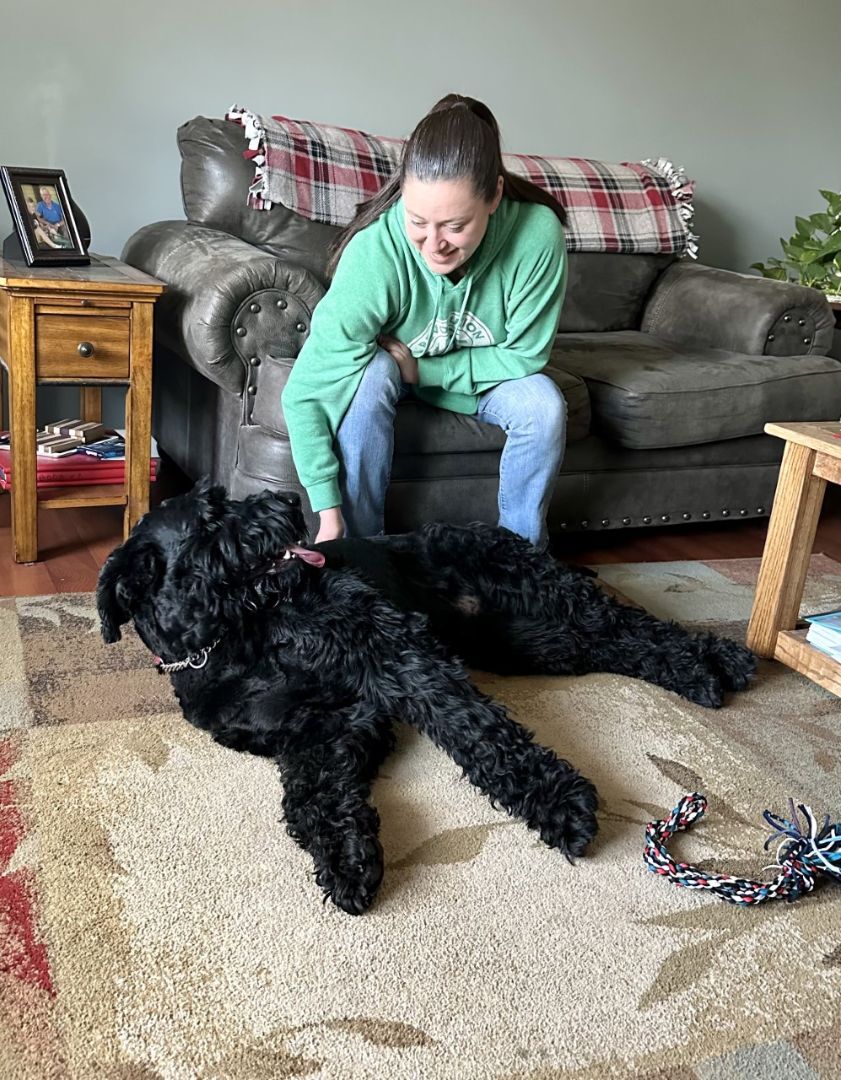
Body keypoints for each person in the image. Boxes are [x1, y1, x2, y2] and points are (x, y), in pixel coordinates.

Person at [281, 92, 569, 549]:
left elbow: (525, 355)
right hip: (390, 372)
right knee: (368, 377)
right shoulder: (374, 254)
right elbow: (306, 394)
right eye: (418, 222)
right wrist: (328, 512)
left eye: (455, 226)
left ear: (494, 196)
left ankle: (521, 561)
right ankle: (361, 549)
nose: (434, 245)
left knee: (542, 405)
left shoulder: (536, 235)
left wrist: (422, 369)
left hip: (467, 377)